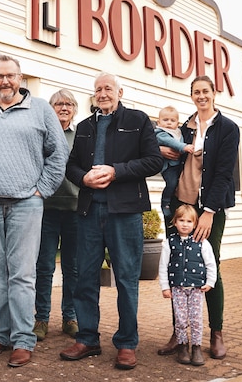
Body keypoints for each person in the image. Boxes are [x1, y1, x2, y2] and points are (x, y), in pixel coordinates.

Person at [59, 72, 162, 371]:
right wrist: (84, 177)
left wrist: (116, 171)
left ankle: (127, 343)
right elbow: (71, 166)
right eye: (98, 89)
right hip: (90, 212)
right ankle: (88, 338)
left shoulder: (138, 120)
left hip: (125, 212)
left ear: (120, 91)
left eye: (108, 88)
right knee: (84, 278)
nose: (103, 93)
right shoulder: (84, 127)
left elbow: (153, 160)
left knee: (127, 279)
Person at [0, 54, 69, 368]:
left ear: (20, 77)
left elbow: (59, 153)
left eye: (10, 76)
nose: (5, 81)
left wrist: (42, 188)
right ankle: (1, 334)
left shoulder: (40, 109)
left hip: (26, 204)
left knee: (22, 276)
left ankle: (24, 340)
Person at [156, 75, 240, 360]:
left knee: (209, 265)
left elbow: (224, 173)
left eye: (205, 91)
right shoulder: (185, 128)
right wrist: (162, 151)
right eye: (196, 92)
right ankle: (179, 336)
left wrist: (209, 212)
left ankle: (216, 334)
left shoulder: (227, 128)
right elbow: (168, 152)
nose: (201, 96)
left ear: (214, 94)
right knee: (177, 269)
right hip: (180, 205)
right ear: (191, 95)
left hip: (208, 209)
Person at [33, 89, 80, 341]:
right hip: (46, 210)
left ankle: (70, 317)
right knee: (44, 266)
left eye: (69, 104)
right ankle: (41, 318)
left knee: (72, 268)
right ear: (50, 108)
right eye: (59, 104)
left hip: (75, 210)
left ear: (74, 109)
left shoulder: (80, 136)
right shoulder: (42, 135)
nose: (64, 108)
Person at [158, 203, 217, 367]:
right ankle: (182, 346)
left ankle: (196, 347)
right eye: (181, 220)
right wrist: (165, 286)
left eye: (189, 221)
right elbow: (163, 266)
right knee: (181, 319)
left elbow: (211, 264)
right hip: (177, 289)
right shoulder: (169, 243)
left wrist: (210, 282)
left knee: (196, 319)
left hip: (197, 288)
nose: (185, 224)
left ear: (195, 224)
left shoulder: (202, 243)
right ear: (175, 222)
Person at [155, 105, 194, 225]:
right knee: (171, 183)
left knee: (178, 184)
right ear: (159, 122)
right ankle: (165, 203)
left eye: (172, 120)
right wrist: (184, 147)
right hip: (169, 166)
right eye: (165, 120)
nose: (169, 123)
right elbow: (170, 142)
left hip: (178, 165)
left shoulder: (178, 132)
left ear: (177, 123)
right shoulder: (161, 133)